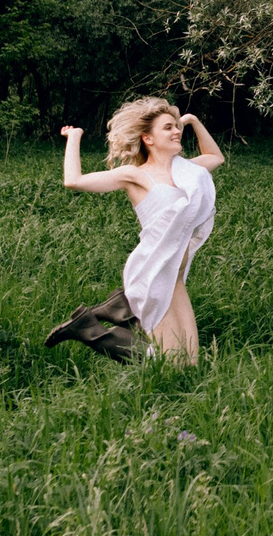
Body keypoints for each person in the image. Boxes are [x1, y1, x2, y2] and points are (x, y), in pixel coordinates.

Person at [45, 97, 225, 364]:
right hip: (152, 273)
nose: (176, 131)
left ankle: (97, 322)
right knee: (172, 361)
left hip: (174, 278)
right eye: (168, 128)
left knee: (191, 358)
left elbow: (216, 157)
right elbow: (74, 181)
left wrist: (193, 121)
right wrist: (75, 136)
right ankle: (93, 330)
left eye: (176, 127)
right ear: (148, 139)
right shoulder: (136, 175)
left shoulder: (188, 170)